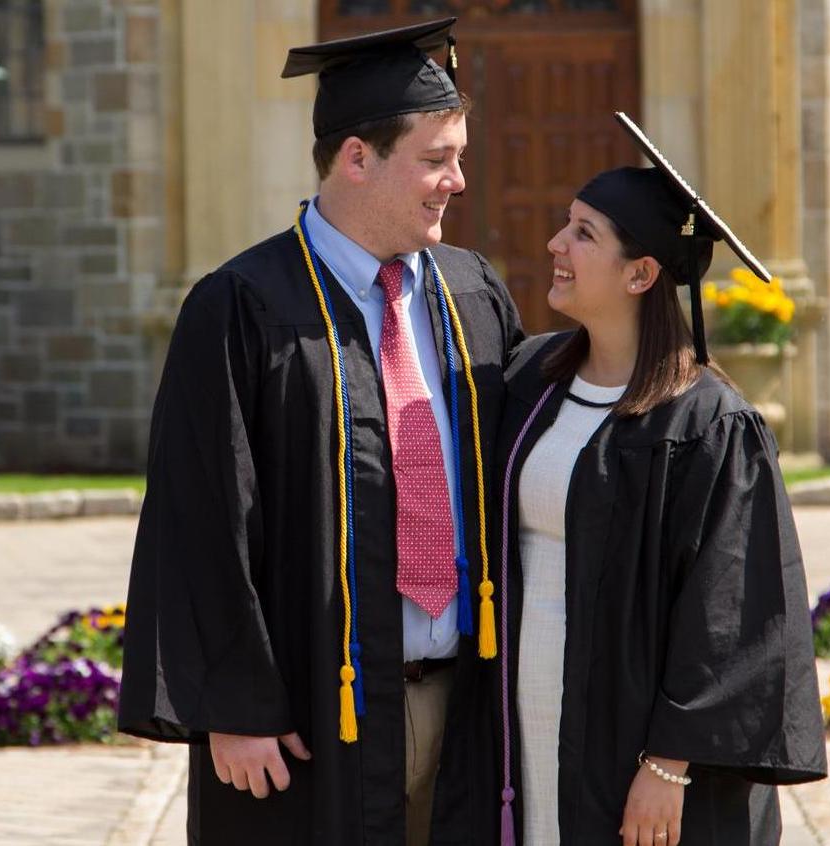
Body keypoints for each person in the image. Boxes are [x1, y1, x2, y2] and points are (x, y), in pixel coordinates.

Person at [118, 18, 522, 846]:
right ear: (357, 157)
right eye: (437, 158)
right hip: (316, 711)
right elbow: (203, 521)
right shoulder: (242, 308)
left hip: (470, 708)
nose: (459, 181)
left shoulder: (472, 291)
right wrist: (233, 709)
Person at [491, 113, 827, 846]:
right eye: (564, 225)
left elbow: (729, 611)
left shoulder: (707, 424)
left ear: (642, 273)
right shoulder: (530, 381)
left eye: (584, 233)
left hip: (642, 748)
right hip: (529, 717)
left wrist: (669, 765)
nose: (556, 244)